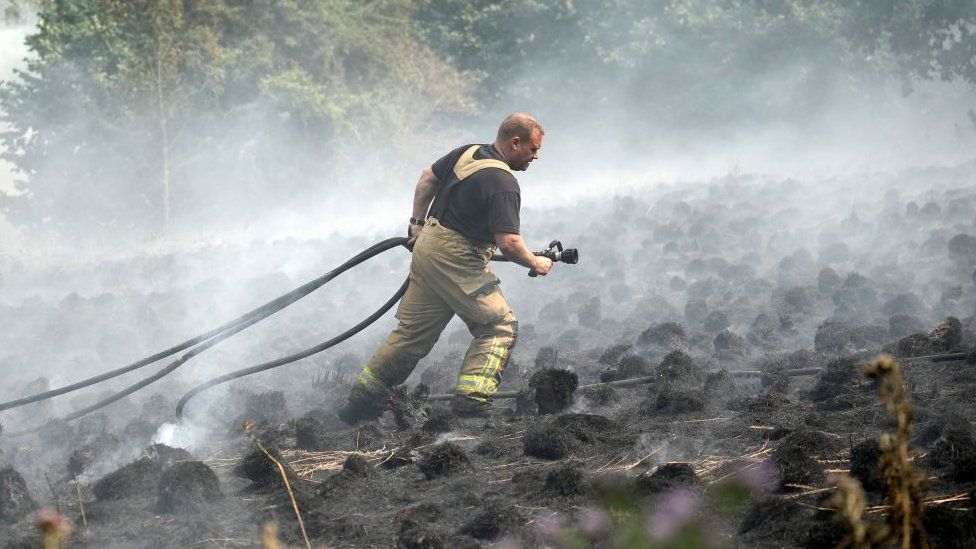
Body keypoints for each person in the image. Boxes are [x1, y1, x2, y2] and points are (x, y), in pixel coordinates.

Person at [338, 113, 553, 423]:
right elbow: (508, 243)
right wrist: (536, 262)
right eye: (533, 149)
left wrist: (416, 224)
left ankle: (361, 400)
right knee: (498, 326)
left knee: (412, 334)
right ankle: (472, 401)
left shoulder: (468, 152)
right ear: (515, 142)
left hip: (428, 249)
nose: (535, 157)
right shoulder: (504, 182)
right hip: (456, 259)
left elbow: (427, 177)